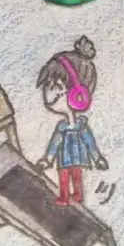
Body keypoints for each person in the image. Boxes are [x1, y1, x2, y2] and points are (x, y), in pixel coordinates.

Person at [35, 35, 108, 205]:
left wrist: (97, 158)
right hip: (63, 160)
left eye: (55, 87)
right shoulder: (61, 127)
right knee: (63, 176)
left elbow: (90, 143)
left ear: (77, 96)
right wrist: (47, 159)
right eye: (47, 86)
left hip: (77, 159)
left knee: (76, 176)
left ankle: (78, 195)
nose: (47, 93)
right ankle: (64, 196)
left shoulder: (81, 127)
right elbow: (54, 144)